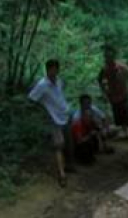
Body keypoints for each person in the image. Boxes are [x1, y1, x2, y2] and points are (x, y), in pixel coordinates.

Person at [28, 59, 73, 187]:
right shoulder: (42, 85)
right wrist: (43, 111)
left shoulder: (59, 81)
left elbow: (60, 94)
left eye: (55, 69)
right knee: (58, 145)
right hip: (53, 118)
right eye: (50, 69)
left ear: (58, 70)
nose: (53, 71)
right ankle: (62, 174)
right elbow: (32, 98)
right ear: (47, 70)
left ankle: (68, 166)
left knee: (68, 143)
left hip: (65, 114)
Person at [98, 45, 128, 141]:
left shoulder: (121, 67)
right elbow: (99, 80)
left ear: (113, 57)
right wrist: (105, 92)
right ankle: (126, 134)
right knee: (119, 118)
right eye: (106, 57)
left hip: (124, 96)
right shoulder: (105, 69)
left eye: (109, 56)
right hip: (113, 97)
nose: (108, 58)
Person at [70, 95, 113, 162]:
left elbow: (103, 118)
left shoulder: (93, 109)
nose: (88, 105)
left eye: (89, 103)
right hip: (81, 138)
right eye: (85, 103)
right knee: (85, 147)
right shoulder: (76, 118)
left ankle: (104, 146)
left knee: (97, 125)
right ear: (81, 104)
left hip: (88, 131)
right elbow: (78, 140)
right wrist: (90, 135)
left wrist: (106, 129)